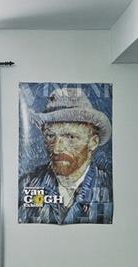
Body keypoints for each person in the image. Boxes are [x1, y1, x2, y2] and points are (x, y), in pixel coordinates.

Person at [18, 87, 113, 224]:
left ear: (93, 142)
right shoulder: (26, 184)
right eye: (50, 136)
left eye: (70, 137)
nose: (56, 149)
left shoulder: (108, 187)